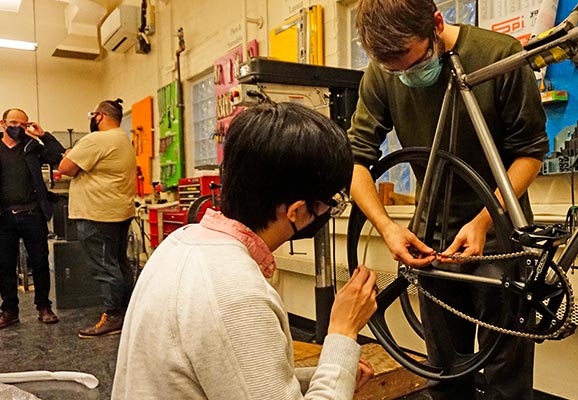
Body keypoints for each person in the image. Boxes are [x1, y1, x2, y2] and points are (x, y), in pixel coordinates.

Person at [348, 1, 550, 399]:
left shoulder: (499, 56)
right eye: (395, 71)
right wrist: (386, 227)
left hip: (500, 241)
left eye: (413, 62)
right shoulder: (381, 73)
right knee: (445, 378)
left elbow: (531, 154)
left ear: (437, 24)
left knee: (505, 383)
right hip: (432, 245)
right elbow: (355, 161)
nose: (406, 76)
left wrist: (482, 222)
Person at [111, 102, 378, 399]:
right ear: (297, 211)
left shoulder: (179, 244)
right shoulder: (237, 294)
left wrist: (329, 370)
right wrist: (342, 332)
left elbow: (237, 380)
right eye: (331, 204)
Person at [58, 99, 136, 338]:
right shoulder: (123, 138)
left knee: (104, 267)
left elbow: (65, 167)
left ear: (99, 116)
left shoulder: (96, 139)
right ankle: (129, 313)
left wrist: (71, 155)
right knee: (119, 264)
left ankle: (113, 316)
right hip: (117, 212)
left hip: (96, 214)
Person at [0, 108, 64, 329]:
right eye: (13, 122)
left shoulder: (32, 146)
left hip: (32, 214)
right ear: (3, 123)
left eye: (23, 124)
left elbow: (58, 156)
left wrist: (42, 135)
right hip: (4, 216)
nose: (18, 127)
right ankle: (9, 311)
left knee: (39, 263)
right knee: (5, 266)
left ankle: (44, 307)